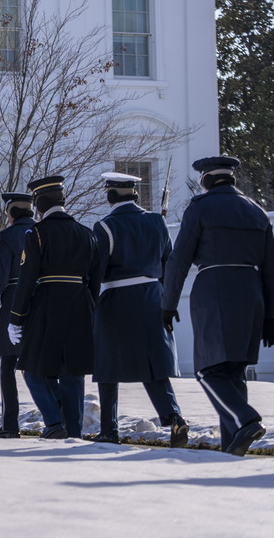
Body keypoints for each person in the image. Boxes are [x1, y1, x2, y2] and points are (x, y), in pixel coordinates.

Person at [163, 156, 274, 456]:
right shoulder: (258, 212)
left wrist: (167, 303)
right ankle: (233, 444)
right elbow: (271, 270)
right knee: (234, 372)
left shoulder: (200, 209)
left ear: (206, 180)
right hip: (252, 295)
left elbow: (179, 259)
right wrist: (271, 317)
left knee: (207, 371)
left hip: (215, 290)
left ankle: (246, 420)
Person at [90, 171, 188, 446]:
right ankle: (175, 418)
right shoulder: (157, 221)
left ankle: (109, 429)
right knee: (153, 364)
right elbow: (168, 263)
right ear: (135, 194)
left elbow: (97, 271)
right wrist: (167, 299)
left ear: (109, 195)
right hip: (153, 297)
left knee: (108, 364)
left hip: (117, 298)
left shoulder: (104, 226)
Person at [8, 175, 100, 440]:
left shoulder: (36, 233)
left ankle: (53, 422)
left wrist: (16, 318)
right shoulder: (87, 233)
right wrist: (89, 309)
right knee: (72, 372)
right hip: (80, 304)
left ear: (38, 204)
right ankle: (74, 430)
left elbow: (26, 279)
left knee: (33, 368)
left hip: (47, 304)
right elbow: (95, 279)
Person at [0, 192, 35, 439]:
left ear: (11, 213)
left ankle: (10, 424)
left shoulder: (9, 236)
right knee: (39, 365)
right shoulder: (42, 231)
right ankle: (57, 417)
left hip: (13, 302)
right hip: (41, 302)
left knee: (8, 366)